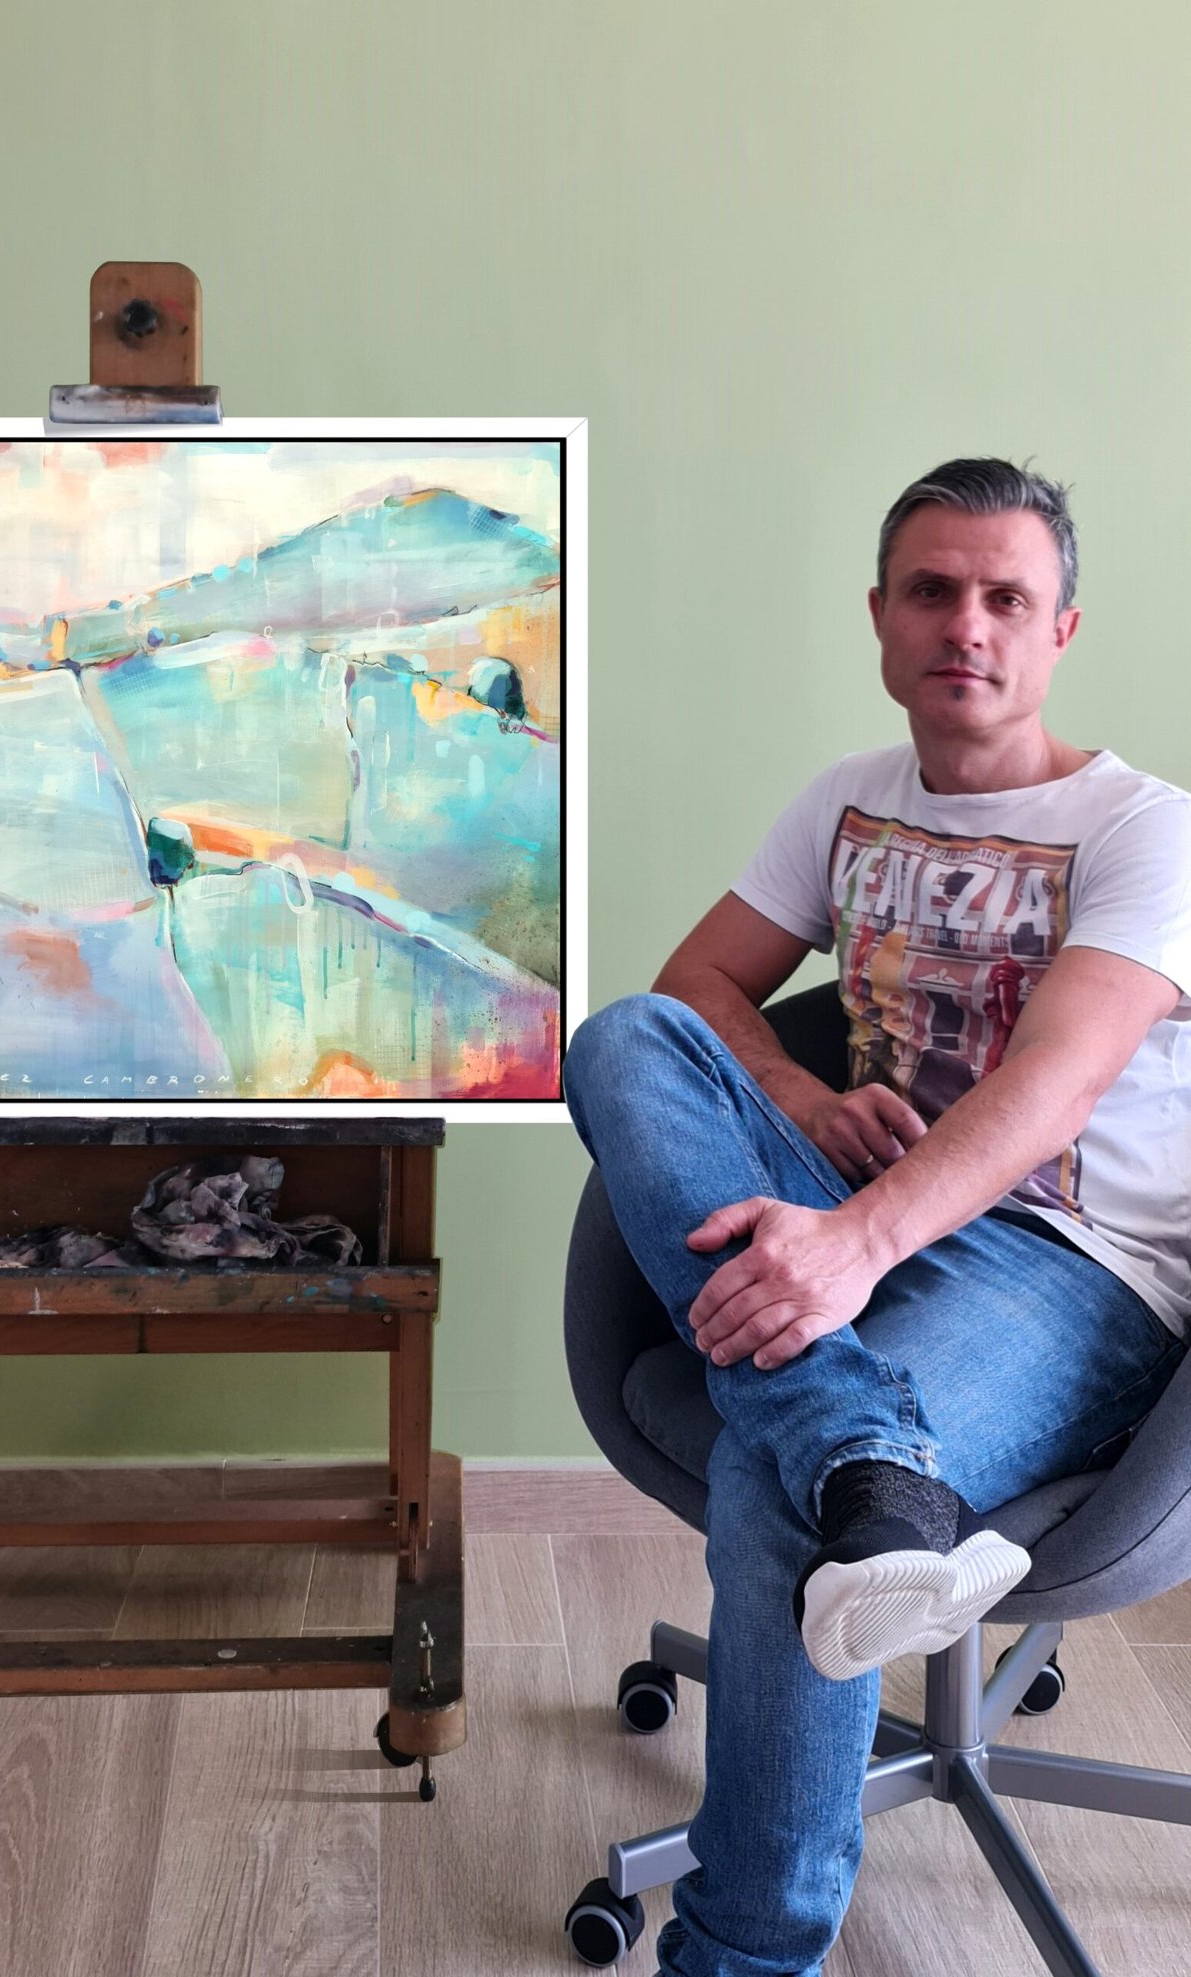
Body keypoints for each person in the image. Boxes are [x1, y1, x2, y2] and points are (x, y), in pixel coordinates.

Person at [562, 459, 1191, 1977]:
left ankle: (741, 1956)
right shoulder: (846, 798)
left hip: (1073, 1266)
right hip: (861, 1214)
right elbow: (695, 989)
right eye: (932, 590)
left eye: (1006, 597)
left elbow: (1052, 1087)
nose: (966, 623)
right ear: (880, 616)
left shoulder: (1146, 830)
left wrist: (853, 1244)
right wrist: (801, 1089)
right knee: (622, 1041)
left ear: (1060, 630)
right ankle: (867, 1454)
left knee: (778, 1489)